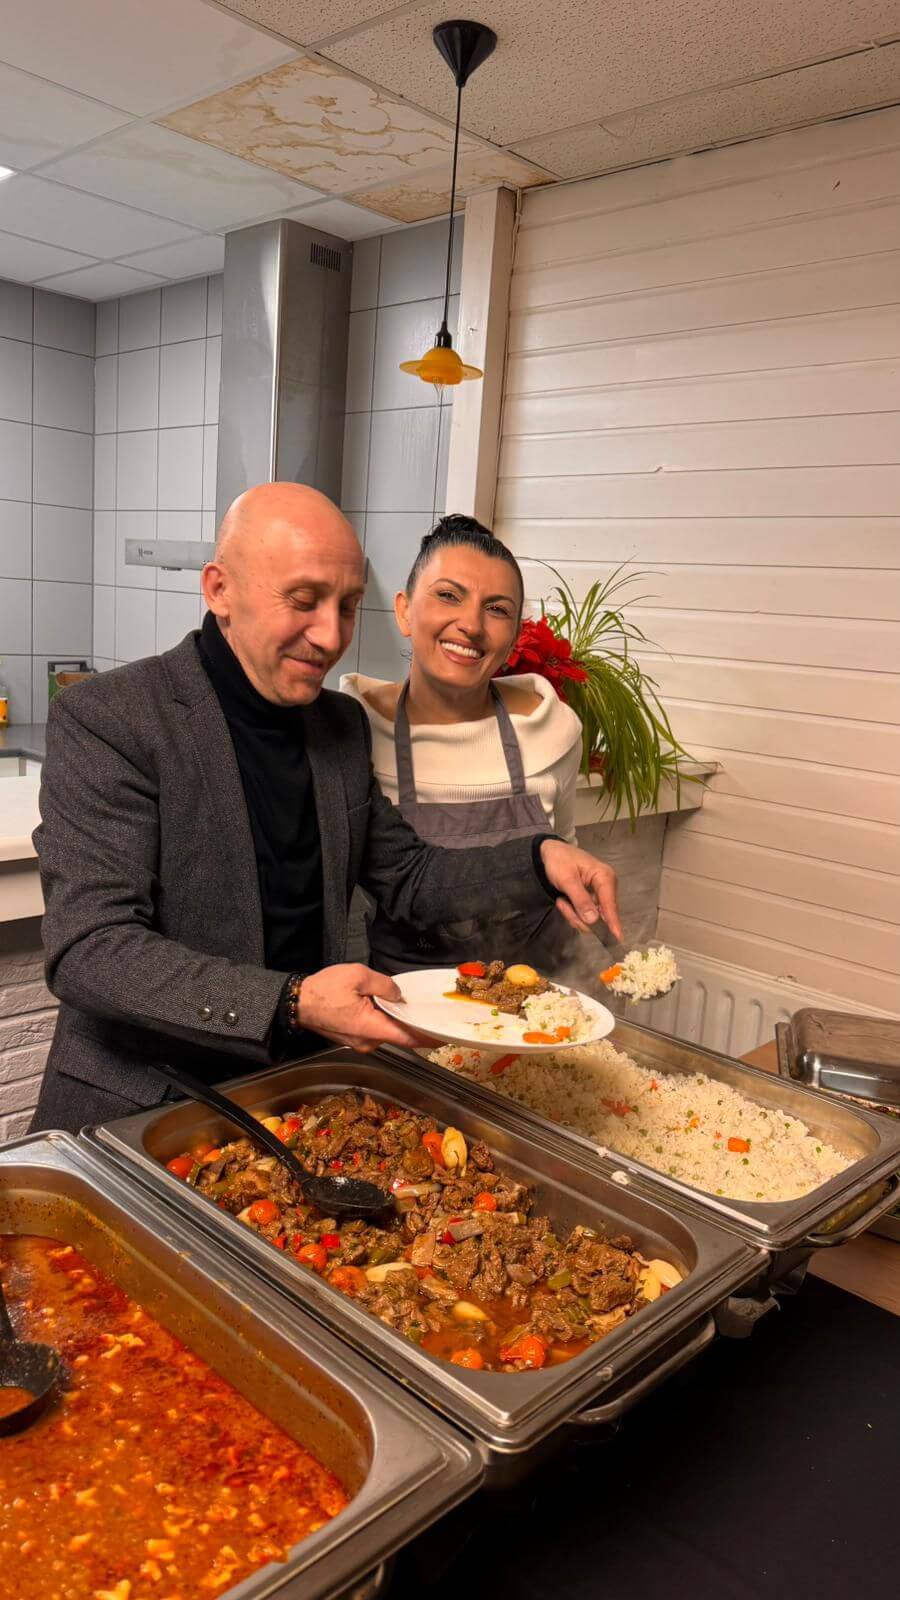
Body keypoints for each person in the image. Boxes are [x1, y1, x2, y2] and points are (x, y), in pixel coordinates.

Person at [29, 483, 621, 1135]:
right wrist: (293, 1001)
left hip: (293, 1100)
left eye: (347, 606)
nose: (331, 635)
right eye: (304, 600)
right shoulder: (111, 718)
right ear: (219, 589)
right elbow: (92, 948)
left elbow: (410, 876)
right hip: (139, 1111)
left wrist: (539, 859)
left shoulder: (338, 725)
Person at [342, 515, 589, 975]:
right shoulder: (352, 735)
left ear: (514, 637)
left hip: (535, 1002)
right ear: (404, 611)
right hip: (399, 1006)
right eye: (448, 596)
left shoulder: (553, 732)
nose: (471, 625)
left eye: (497, 609)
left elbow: (565, 848)